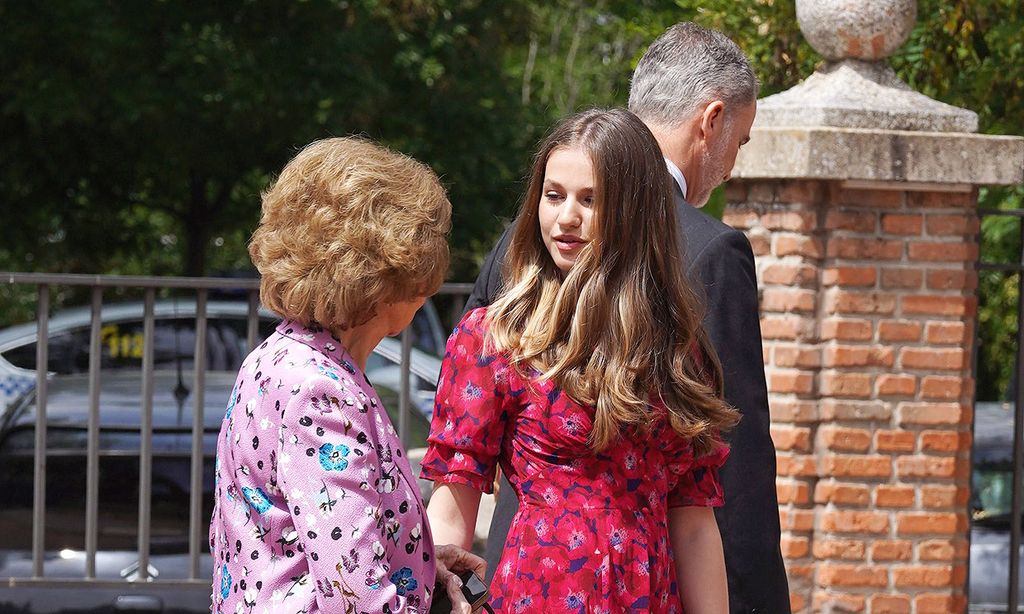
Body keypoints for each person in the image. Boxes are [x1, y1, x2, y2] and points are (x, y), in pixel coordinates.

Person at [470, 23, 790, 614]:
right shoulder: (709, 249)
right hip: (631, 583)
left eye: (590, 200)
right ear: (711, 121)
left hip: (519, 578)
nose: (730, 168)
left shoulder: (513, 244)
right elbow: (734, 465)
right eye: (739, 142)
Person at [420, 108, 739, 613]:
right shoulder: (497, 337)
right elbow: (455, 496)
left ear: (634, 212)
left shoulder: (677, 347)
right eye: (554, 195)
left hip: (649, 595)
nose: (566, 217)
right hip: (539, 593)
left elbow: (694, 520)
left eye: (590, 200)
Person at [209, 137, 484, 614]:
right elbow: (354, 595)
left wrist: (421, 563)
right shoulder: (320, 390)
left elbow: (304, 541)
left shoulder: (277, 359)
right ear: (386, 279)